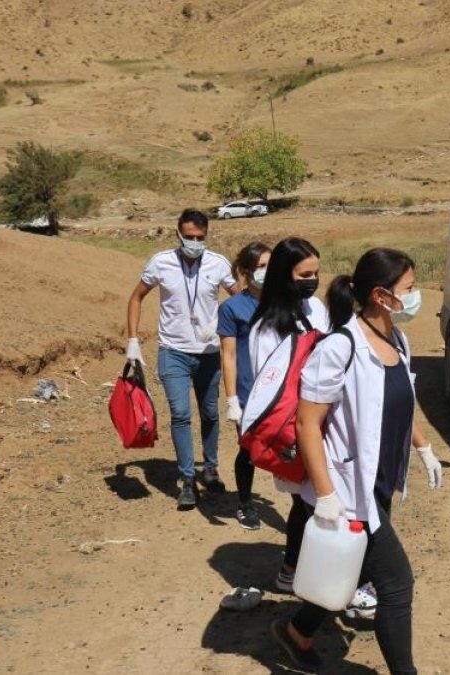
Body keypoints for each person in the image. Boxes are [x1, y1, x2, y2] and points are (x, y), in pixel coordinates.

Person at [270, 248, 443, 674]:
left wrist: (423, 447)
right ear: (381, 296)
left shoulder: (397, 341)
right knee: (396, 586)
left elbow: (398, 403)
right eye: (409, 288)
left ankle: (296, 633)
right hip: (346, 491)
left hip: (377, 483)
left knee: (345, 569)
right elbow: (307, 423)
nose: (416, 295)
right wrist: (326, 495)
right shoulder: (339, 347)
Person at [126, 209, 237, 510]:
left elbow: (238, 297)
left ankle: (210, 468)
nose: (195, 243)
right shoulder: (161, 262)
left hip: (209, 353)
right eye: (189, 237)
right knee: (180, 414)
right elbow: (136, 297)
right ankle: (187, 480)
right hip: (173, 350)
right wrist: (133, 340)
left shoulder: (218, 263)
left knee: (210, 413)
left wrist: (224, 323)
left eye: (201, 237)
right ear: (178, 234)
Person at [247, 238, 331, 592]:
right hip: (298, 429)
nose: (312, 281)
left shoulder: (316, 309)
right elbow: (273, 392)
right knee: (307, 502)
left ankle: (296, 569)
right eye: (304, 275)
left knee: (310, 501)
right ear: (284, 276)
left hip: (326, 422)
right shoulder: (266, 329)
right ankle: (297, 571)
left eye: (316, 273)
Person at [217, 241, 271, 530]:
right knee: (250, 450)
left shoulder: (284, 303)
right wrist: (232, 400)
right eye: (262, 266)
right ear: (247, 271)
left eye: (271, 266)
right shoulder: (232, 308)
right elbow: (228, 355)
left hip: (282, 391)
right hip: (250, 392)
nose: (268, 271)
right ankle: (245, 502)